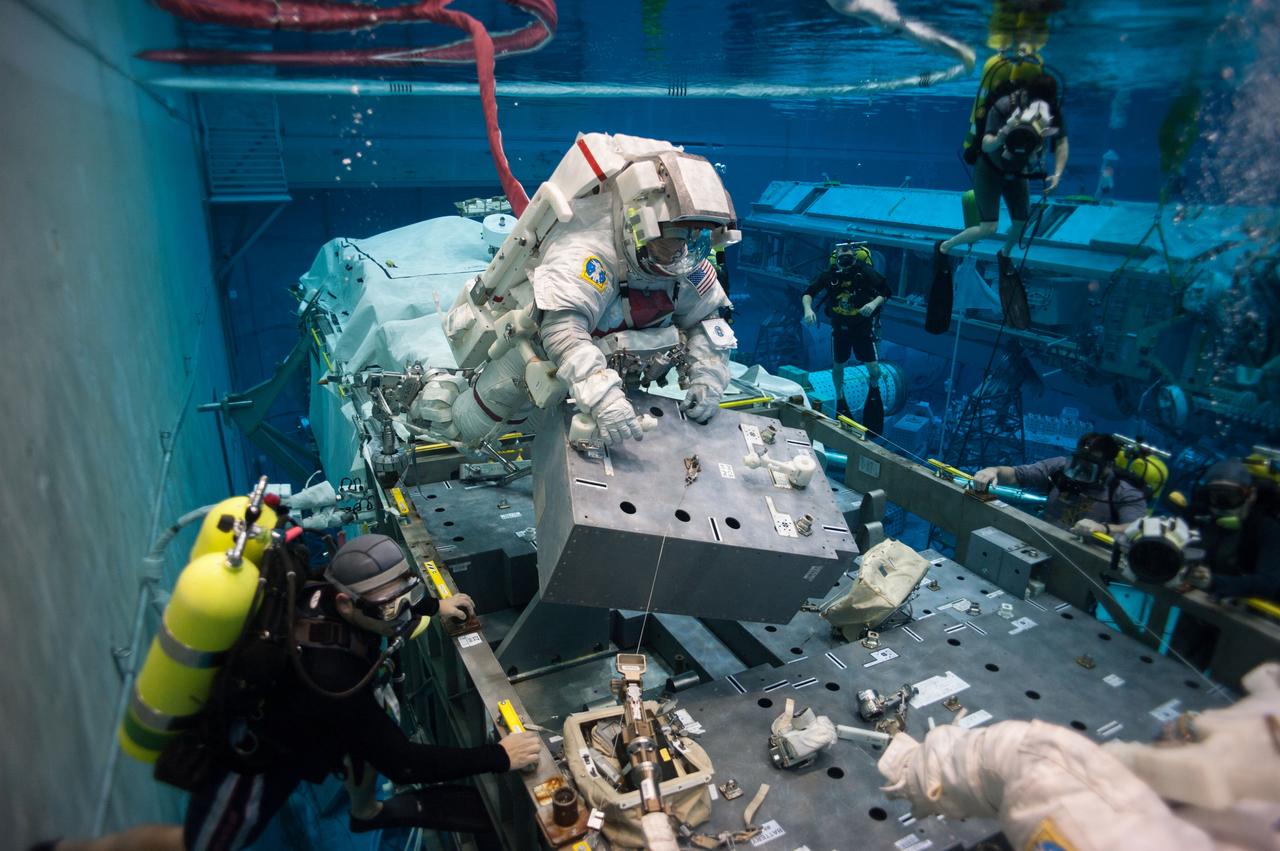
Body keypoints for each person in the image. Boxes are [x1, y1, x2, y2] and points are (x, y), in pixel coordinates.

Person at [44, 534, 541, 851]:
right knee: (195, 844)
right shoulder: (333, 681)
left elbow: (392, 602)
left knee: (360, 735)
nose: (400, 616)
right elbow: (405, 763)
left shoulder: (316, 587)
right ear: (346, 604)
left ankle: (364, 813)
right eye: (389, 610)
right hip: (254, 766)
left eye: (404, 598)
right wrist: (498, 755)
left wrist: (433, 606)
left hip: (309, 723)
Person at [532, 147, 736, 446]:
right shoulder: (589, 253)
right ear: (640, 227)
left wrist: (708, 378)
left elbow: (709, 319)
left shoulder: (684, 263)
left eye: (695, 242)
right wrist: (602, 395)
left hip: (621, 384)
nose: (681, 255)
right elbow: (562, 330)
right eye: (672, 241)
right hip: (547, 373)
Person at [933, 72, 1069, 331]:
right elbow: (986, 145)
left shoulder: (1050, 110)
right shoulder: (1004, 106)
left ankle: (1004, 255)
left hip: (1018, 172)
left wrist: (1058, 172)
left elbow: (1061, 142)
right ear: (1025, 96)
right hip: (991, 170)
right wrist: (1007, 130)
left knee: (1021, 223)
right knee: (989, 227)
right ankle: (946, 246)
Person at [973, 432, 1148, 536]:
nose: (1079, 471)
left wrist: (1103, 528)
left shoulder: (1122, 492)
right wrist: (993, 471)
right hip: (1045, 540)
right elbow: (1018, 475)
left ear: (1108, 466)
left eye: (1090, 466)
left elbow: (1137, 529)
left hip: (1087, 559)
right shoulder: (1060, 466)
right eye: (1078, 462)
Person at [801, 243, 892, 432]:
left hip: (862, 328)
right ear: (836, 257)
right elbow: (808, 293)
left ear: (855, 256)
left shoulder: (864, 272)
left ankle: (873, 386)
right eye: (841, 253)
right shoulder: (830, 275)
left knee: (874, 371)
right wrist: (808, 309)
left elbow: (886, 291)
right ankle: (840, 396)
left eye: (849, 253)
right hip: (840, 329)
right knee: (838, 366)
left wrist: (873, 304)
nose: (845, 256)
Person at [1184, 459, 1280, 602]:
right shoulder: (1203, 521)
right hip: (1200, 605)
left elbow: (1270, 583)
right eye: (1216, 497)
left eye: (1231, 497)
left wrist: (1213, 582)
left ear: (1251, 495)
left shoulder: (1266, 529)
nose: (1223, 506)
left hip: (1246, 616)